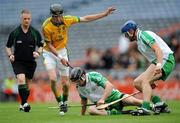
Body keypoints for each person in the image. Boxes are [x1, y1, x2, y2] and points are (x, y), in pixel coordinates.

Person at [42, 3, 115, 115]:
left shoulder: (67, 19)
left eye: (59, 16)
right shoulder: (46, 26)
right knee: (52, 78)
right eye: (54, 16)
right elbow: (50, 45)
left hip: (62, 51)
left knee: (65, 84)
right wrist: (60, 58)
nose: (57, 18)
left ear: (62, 15)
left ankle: (65, 102)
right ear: (51, 16)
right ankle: (60, 102)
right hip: (49, 53)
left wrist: (104, 14)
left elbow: (85, 18)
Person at [121, 20, 175, 115]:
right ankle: (159, 103)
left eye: (126, 34)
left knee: (144, 81)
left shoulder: (144, 35)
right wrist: (151, 78)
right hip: (157, 61)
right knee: (137, 83)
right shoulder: (139, 43)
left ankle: (145, 108)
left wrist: (158, 65)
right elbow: (151, 59)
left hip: (166, 59)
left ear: (131, 31)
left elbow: (158, 49)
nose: (126, 37)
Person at [6, 9, 43, 112]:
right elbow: (8, 46)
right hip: (18, 62)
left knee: (27, 85)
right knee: (21, 79)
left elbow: (41, 46)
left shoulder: (35, 32)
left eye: (28, 19)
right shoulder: (15, 33)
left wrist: (38, 52)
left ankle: (22, 103)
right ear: (21, 19)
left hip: (30, 63)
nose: (26, 20)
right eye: (24, 19)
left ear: (30, 19)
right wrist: (10, 55)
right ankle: (25, 103)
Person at [70, 67, 143, 116]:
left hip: (114, 97)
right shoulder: (78, 87)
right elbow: (84, 100)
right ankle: (117, 113)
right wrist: (82, 114)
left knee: (134, 101)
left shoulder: (93, 76)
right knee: (91, 109)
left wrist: (102, 99)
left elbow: (109, 86)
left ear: (83, 76)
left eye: (78, 80)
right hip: (102, 106)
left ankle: (152, 107)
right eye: (75, 82)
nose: (77, 83)